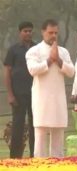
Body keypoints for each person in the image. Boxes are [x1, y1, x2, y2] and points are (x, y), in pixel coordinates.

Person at [25, 19, 75, 158]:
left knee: (58, 130)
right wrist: (49, 60)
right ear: (43, 32)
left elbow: (71, 72)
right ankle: (40, 163)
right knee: (40, 132)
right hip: (42, 98)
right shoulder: (33, 51)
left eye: (56, 33)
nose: (53, 35)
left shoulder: (63, 52)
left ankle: (58, 162)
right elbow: (32, 70)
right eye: (50, 32)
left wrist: (58, 60)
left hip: (58, 97)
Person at [3, 21, 35, 158]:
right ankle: (15, 157)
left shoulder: (37, 48)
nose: (27, 33)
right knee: (18, 124)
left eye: (29, 31)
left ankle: (36, 154)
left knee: (35, 124)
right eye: (25, 31)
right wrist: (10, 94)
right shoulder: (13, 50)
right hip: (18, 94)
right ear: (20, 33)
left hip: (36, 93)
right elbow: (7, 73)